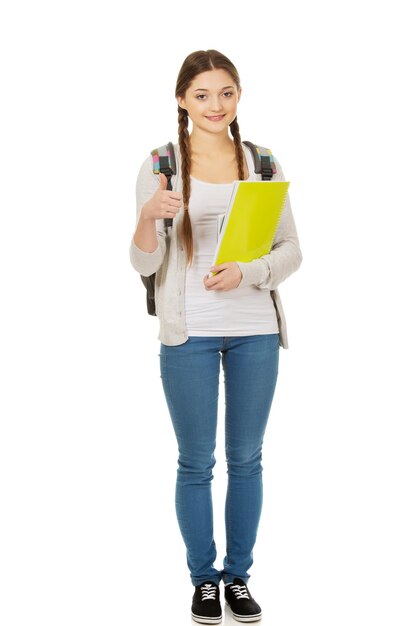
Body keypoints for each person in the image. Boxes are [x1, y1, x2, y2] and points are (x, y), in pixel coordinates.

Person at [129, 49, 302, 624]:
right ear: (182, 99)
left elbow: (291, 251)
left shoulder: (262, 160)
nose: (215, 105)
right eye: (202, 95)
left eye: (226, 92)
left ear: (239, 95)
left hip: (254, 329)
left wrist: (248, 273)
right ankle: (204, 579)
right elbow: (143, 264)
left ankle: (239, 576)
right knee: (196, 463)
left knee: (247, 460)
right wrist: (148, 216)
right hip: (189, 334)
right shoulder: (161, 164)